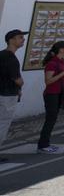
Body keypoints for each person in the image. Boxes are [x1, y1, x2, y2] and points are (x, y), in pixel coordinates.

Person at [38, 41, 64, 153]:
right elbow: (48, 81)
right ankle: (42, 145)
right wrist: (63, 74)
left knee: (53, 119)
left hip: (58, 93)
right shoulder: (52, 63)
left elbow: (61, 73)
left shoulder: (61, 61)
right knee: (50, 119)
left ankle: (46, 143)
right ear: (61, 49)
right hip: (51, 94)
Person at [0, 29, 27, 161]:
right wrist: (21, 84)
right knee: (3, 124)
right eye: (20, 37)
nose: (23, 40)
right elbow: (16, 79)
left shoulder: (1, 54)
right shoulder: (11, 59)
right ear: (11, 40)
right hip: (7, 95)